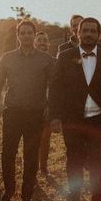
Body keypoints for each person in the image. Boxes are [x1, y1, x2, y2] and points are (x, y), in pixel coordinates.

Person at [50, 17, 101, 201]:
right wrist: (55, 116)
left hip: (99, 119)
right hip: (72, 119)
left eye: (93, 31)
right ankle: (75, 200)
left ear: (99, 34)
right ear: (77, 33)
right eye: (85, 30)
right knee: (74, 158)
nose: (89, 34)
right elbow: (55, 88)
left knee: (97, 158)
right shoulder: (64, 56)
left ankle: (98, 197)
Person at [0, 21, 54, 201]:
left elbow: (55, 85)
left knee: (31, 154)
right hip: (13, 113)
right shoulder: (7, 58)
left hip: (36, 115)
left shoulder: (46, 59)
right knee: (8, 153)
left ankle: (27, 194)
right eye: (23, 33)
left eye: (29, 33)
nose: (26, 36)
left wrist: (50, 106)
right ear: (18, 36)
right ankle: (9, 190)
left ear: (35, 35)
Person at [34, 31, 55, 178]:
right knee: (32, 138)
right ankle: (32, 167)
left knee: (45, 138)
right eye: (39, 40)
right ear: (35, 43)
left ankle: (43, 167)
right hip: (31, 105)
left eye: (45, 40)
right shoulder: (30, 61)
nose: (42, 42)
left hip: (48, 105)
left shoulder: (54, 61)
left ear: (48, 44)